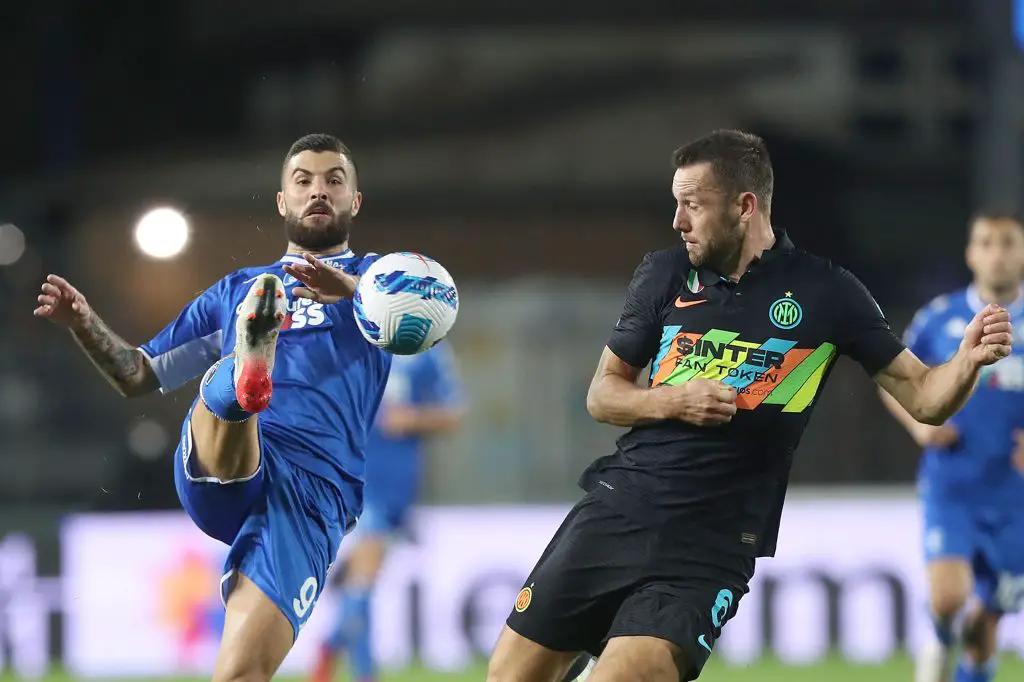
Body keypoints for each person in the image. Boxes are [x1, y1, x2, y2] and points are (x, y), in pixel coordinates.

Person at [484, 129, 1014, 682]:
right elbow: (604, 393)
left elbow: (926, 397)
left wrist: (967, 362)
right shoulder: (664, 274)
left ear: (744, 206)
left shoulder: (827, 292)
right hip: (618, 510)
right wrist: (674, 400)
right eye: (676, 204)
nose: (678, 221)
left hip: (710, 545)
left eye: (692, 205)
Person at [33, 133, 395, 682]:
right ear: (282, 201)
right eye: (303, 181)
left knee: (240, 674)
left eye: (333, 181)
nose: (318, 191)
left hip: (312, 496)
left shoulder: (381, 284)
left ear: (356, 201)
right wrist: (83, 323)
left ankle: (245, 374)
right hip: (226, 461)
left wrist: (347, 288)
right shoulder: (237, 288)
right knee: (226, 395)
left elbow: (433, 317)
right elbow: (139, 374)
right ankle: (244, 379)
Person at [880, 214, 1024, 682]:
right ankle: (941, 639)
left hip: (1015, 495)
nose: (997, 253)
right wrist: (920, 428)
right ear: (971, 254)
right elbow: (892, 380)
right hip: (953, 482)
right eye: (987, 243)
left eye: (1008, 243)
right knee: (947, 599)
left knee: (984, 629)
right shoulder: (939, 317)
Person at [311, 342, 464, 682]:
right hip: (361, 479)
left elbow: (453, 413)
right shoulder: (350, 341)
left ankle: (331, 646)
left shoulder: (429, 350)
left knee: (362, 579)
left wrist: (414, 417)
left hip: (401, 484)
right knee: (364, 576)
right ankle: (363, 672)